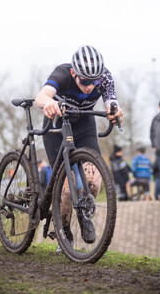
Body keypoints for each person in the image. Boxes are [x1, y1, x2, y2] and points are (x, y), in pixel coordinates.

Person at [35, 45, 124, 244]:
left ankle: (84, 215)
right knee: (68, 187)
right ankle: (63, 228)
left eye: (94, 81)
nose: (90, 86)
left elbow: (110, 101)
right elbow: (41, 96)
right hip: (57, 127)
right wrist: (48, 102)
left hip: (84, 126)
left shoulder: (105, 76)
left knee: (93, 181)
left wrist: (115, 111)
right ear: (74, 73)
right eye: (84, 81)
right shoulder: (63, 73)